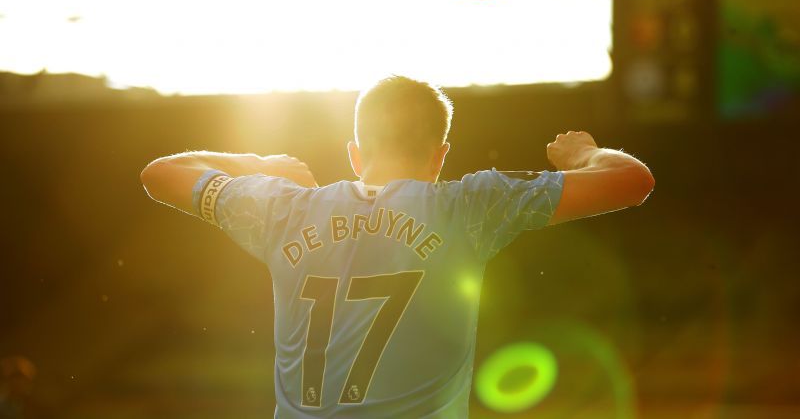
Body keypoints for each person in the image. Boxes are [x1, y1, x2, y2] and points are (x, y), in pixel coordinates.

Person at [140, 74, 655, 418]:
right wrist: (583, 152)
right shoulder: (468, 208)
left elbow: (162, 173)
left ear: (355, 153)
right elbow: (632, 180)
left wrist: (262, 163)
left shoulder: (281, 210)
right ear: (440, 156)